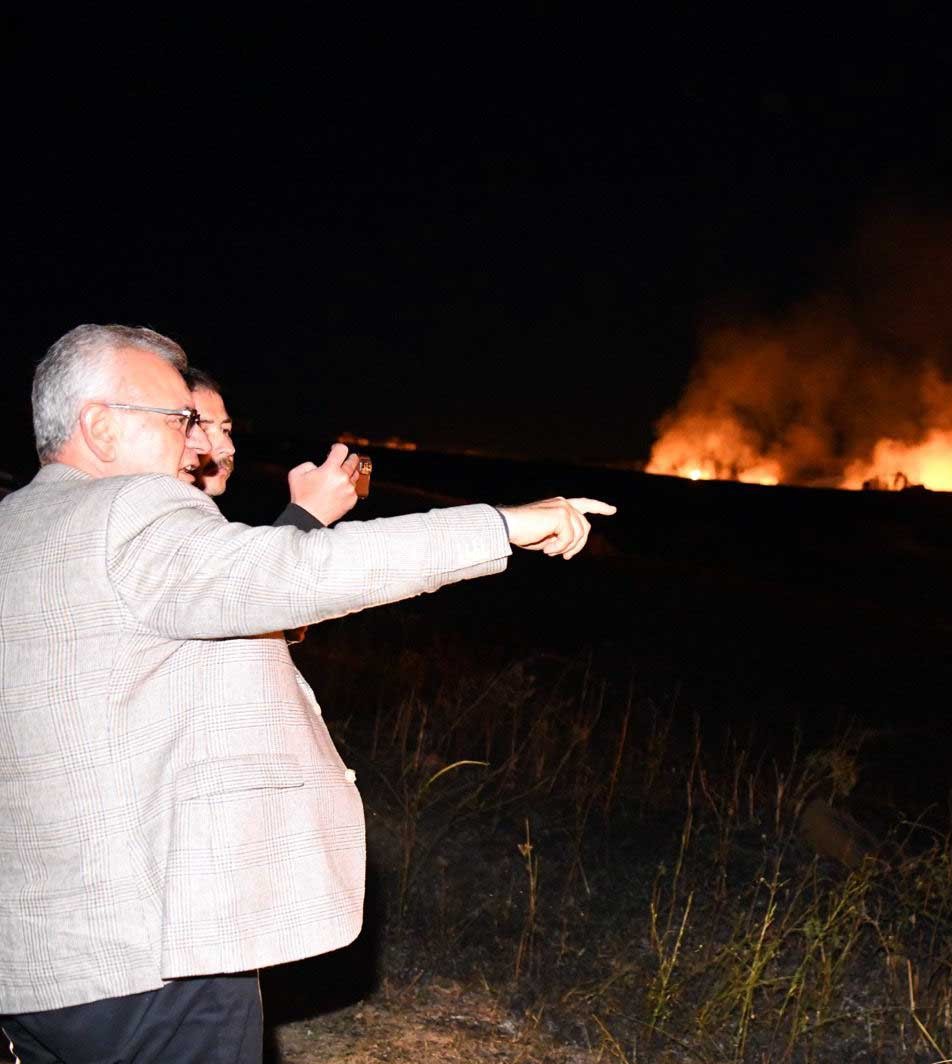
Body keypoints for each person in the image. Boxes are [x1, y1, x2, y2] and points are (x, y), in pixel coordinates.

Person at [0, 324, 614, 1062]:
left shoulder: (16, 525)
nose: (194, 441)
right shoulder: (128, 510)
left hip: (35, 960)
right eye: (179, 419)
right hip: (148, 959)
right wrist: (503, 524)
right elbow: (289, 576)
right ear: (98, 426)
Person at [186, 366, 362, 530]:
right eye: (202, 427)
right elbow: (253, 564)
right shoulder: (172, 525)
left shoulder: (207, 522)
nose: (229, 448)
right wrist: (309, 513)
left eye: (226, 431)